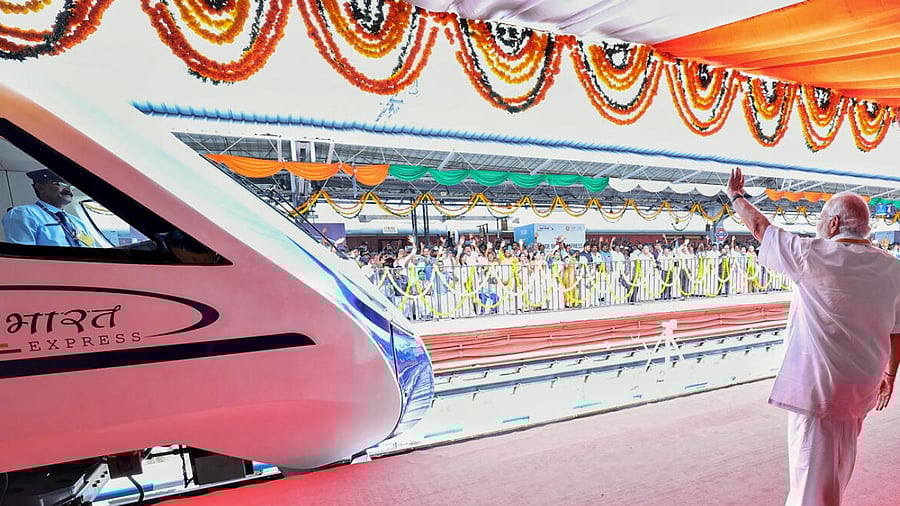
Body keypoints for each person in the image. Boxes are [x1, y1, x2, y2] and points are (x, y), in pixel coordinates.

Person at [726, 167, 900, 505]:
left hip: (821, 396)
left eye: (822, 218)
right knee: (835, 472)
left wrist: (736, 197)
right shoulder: (892, 268)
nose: (818, 225)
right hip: (858, 391)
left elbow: (762, 228)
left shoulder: (814, 255)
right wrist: (890, 374)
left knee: (812, 487)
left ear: (834, 224)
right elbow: (898, 329)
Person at [2, 169, 93, 247]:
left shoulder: (78, 223)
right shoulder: (23, 214)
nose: (69, 190)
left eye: (72, 187)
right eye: (61, 184)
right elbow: (24, 259)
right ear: (40, 187)